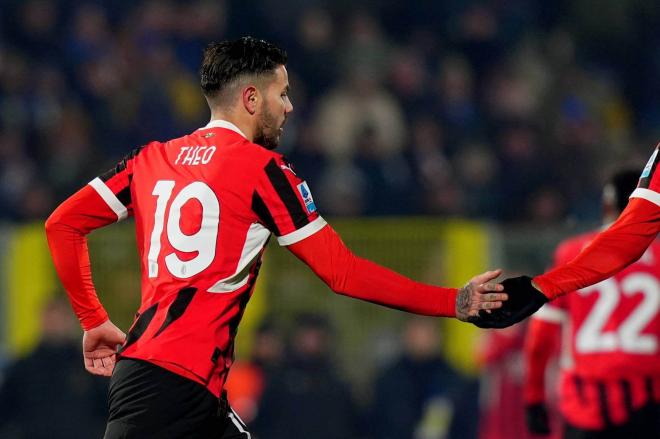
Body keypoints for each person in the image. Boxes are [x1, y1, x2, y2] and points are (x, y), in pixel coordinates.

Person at [44, 36, 508, 438]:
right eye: (282, 94)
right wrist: (453, 302)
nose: (288, 107)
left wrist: (93, 320)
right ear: (251, 98)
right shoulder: (264, 171)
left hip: (180, 385)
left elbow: (62, 224)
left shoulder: (151, 159)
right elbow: (343, 272)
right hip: (168, 384)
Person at [523, 169, 660, 438]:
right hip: (650, 401)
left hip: (586, 403)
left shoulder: (569, 252)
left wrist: (534, 397)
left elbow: (541, 336)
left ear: (607, 205)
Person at [479, 142, 660, 330]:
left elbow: (629, 236)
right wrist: (538, 289)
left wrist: (540, 288)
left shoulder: (569, 251)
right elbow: (630, 235)